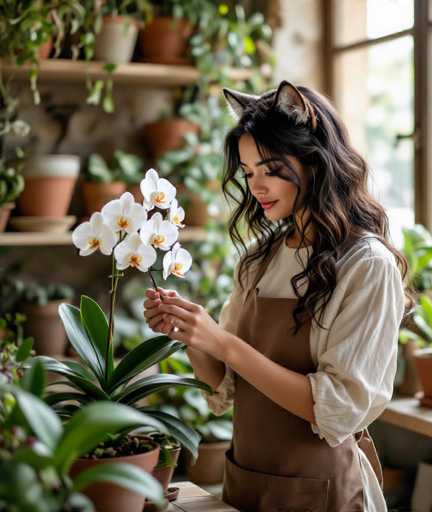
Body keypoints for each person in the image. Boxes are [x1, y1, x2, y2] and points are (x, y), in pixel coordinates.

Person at [143, 80, 412, 512]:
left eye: (270, 168)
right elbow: (222, 383)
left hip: (322, 491)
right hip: (248, 480)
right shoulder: (258, 260)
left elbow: (337, 409)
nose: (257, 186)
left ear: (315, 159)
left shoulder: (366, 265)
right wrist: (190, 333)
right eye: (249, 173)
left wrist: (224, 342)